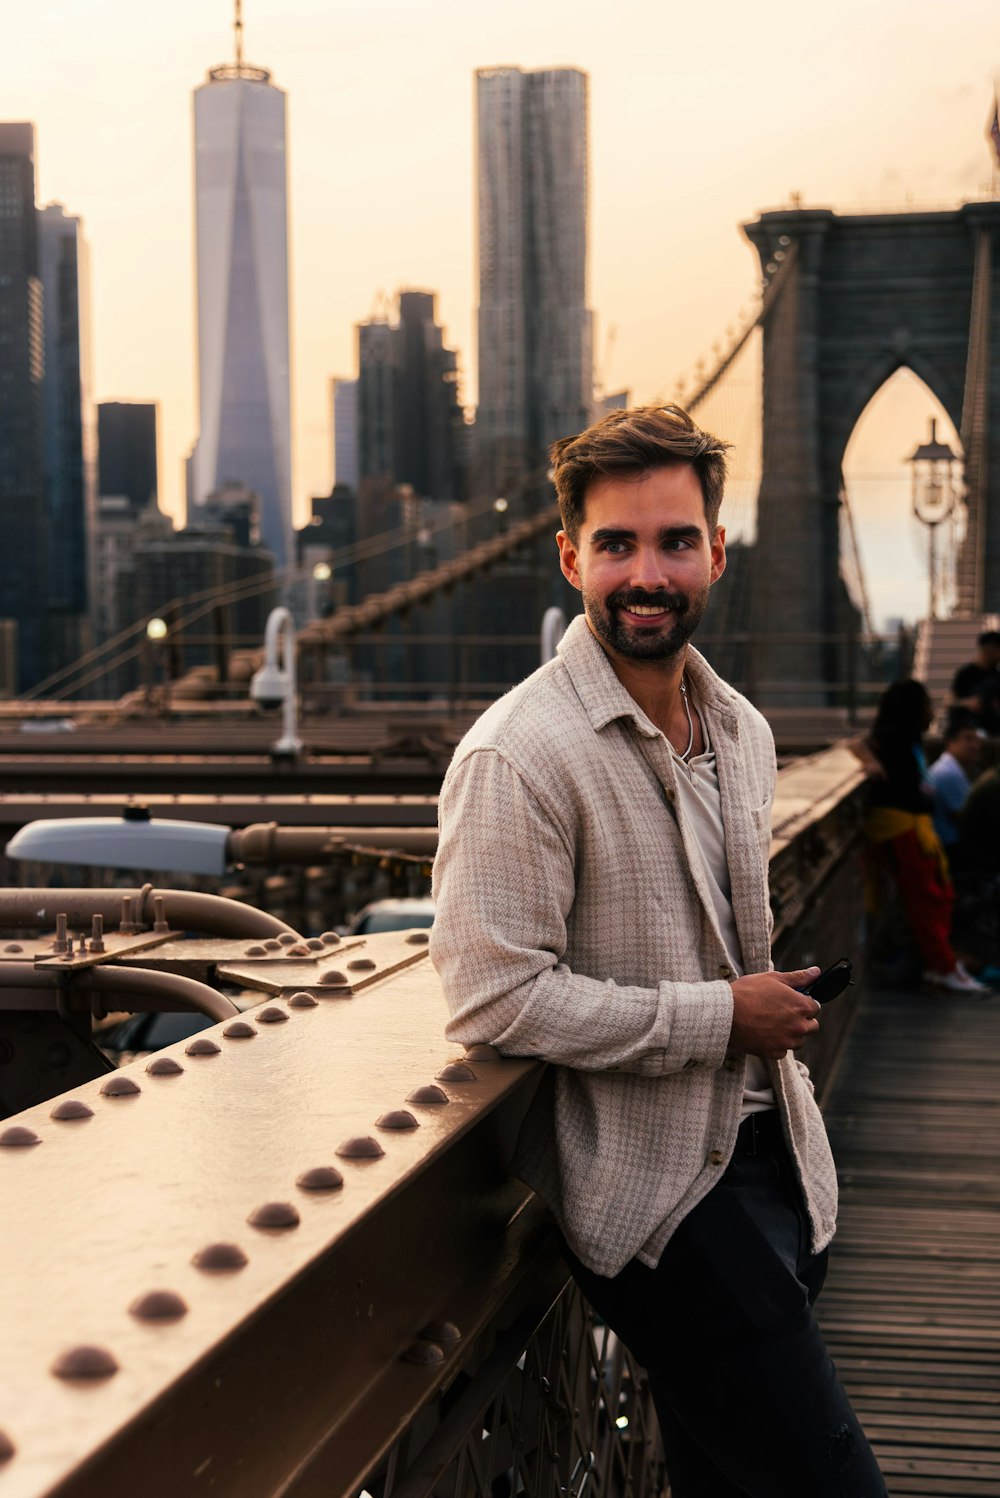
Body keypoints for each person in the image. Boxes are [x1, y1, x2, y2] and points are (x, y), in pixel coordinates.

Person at [431, 404, 887, 1497]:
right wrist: (721, 1015)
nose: (648, 572)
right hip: (662, 1203)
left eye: (675, 541)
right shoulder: (516, 756)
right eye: (617, 544)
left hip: (780, 1162)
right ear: (569, 557)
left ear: (717, 552)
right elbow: (495, 1000)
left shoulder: (741, 733)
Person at [856, 680, 986, 993]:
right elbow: (855, 744)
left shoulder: (909, 740)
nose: (931, 711)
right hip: (901, 829)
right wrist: (868, 760)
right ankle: (943, 968)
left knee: (935, 897)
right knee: (926, 901)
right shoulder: (891, 739)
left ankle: (939, 967)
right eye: (926, 705)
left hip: (914, 829)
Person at [925, 708, 982, 855]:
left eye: (977, 740)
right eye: (968, 739)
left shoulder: (952, 767)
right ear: (950, 743)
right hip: (952, 849)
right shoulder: (949, 773)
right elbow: (969, 820)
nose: (975, 746)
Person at [950, 629, 1000, 732]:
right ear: (989, 650)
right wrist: (967, 703)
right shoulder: (965, 674)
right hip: (967, 730)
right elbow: (948, 702)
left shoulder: (997, 676)